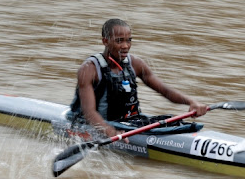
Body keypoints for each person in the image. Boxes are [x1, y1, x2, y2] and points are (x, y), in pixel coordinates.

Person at [68, 19, 209, 138]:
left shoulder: (135, 64)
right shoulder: (89, 69)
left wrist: (191, 102)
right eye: (119, 41)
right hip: (92, 122)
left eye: (129, 40)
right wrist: (111, 132)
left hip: (129, 122)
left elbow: (165, 91)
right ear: (105, 41)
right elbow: (89, 113)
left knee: (173, 122)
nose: (125, 46)